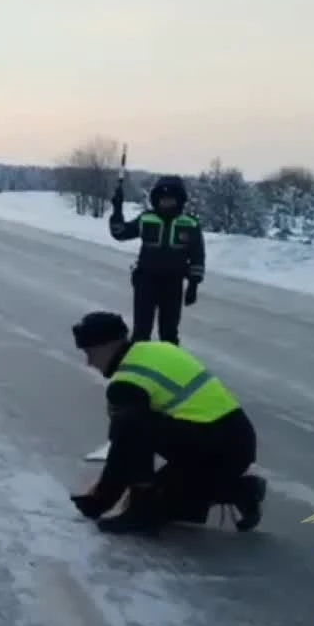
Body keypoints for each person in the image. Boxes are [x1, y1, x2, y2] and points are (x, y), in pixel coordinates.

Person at [67, 311, 265, 535]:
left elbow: (125, 446)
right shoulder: (157, 349)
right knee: (168, 504)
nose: (89, 362)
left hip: (213, 448)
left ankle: (141, 512)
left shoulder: (127, 382)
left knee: (129, 427)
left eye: (90, 353)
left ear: (109, 345)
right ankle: (240, 490)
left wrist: (100, 501)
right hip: (236, 441)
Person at [108, 174, 204, 343]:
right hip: (146, 282)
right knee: (141, 332)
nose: (166, 203)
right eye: (163, 199)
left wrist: (193, 285)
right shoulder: (146, 218)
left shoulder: (190, 224)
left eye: (171, 199)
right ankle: (138, 366)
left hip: (173, 284)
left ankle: (168, 365)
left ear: (179, 200)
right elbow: (120, 233)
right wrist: (117, 210)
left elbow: (197, 256)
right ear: (156, 199)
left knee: (169, 333)